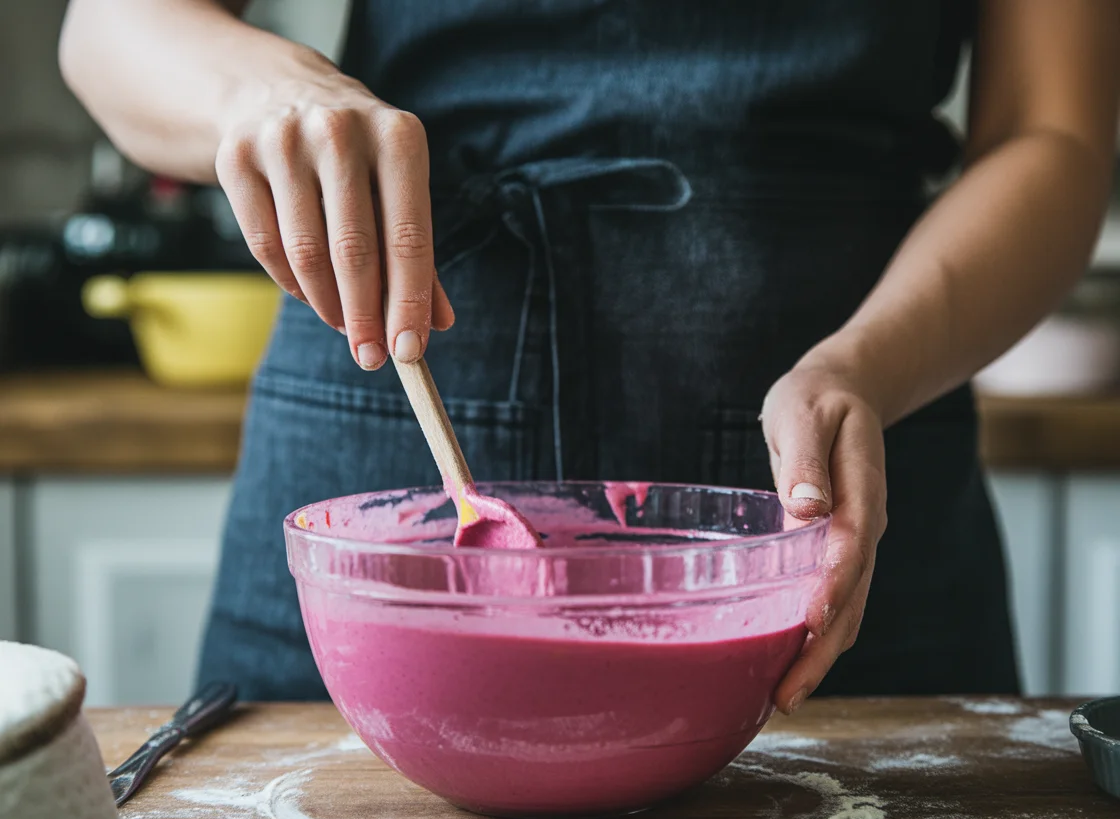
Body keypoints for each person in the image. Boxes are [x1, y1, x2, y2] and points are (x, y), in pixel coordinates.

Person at [61, 1, 1120, 709]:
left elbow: (1052, 133)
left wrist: (864, 367)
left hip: (847, 461)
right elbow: (113, 27)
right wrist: (265, 91)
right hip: (390, 420)